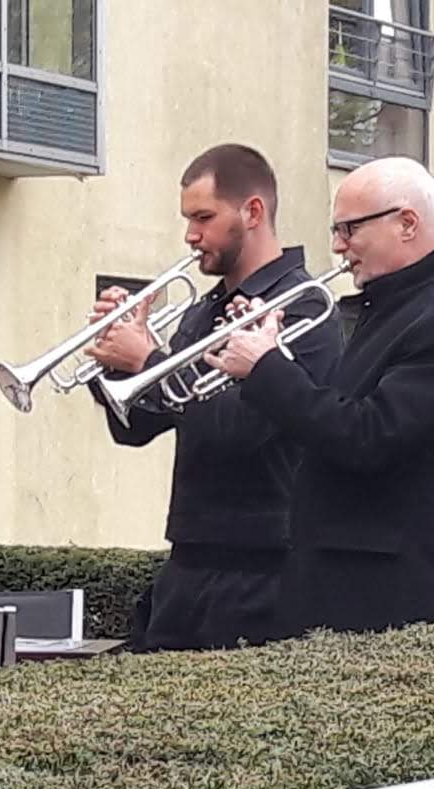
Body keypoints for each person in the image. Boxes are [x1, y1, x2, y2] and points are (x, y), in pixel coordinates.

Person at [202, 155, 434, 635]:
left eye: (349, 230)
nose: (338, 246)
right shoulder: (401, 307)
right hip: (352, 591)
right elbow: (339, 410)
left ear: (406, 223)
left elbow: (368, 437)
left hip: (396, 601)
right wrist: (273, 350)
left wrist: (266, 369)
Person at [85, 144, 343, 652]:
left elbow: (242, 430)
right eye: (187, 219)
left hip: (260, 567)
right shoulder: (205, 311)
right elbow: (135, 427)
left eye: (204, 217)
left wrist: (148, 361)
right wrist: (109, 360)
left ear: (252, 212)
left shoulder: (304, 307)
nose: (191, 235)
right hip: (188, 561)